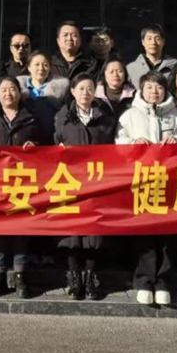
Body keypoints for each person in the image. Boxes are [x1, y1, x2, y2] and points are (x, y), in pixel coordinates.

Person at [116, 71, 177, 306]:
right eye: (149, 87)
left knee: (168, 234)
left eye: (159, 88)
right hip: (142, 181)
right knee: (145, 233)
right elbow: (117, 145)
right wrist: (133, 144)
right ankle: (143, 280)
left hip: (170, 182)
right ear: (141, 90)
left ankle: (163, 281)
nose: (154, 92)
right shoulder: (129, 116)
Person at [0, 76, 42, 299]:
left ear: (19, 93)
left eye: (12, 89)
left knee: (21, 227)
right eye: (4, 90)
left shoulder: (31, 118)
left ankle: (21, 273)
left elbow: (45, 144)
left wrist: (35, 146)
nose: (8, 94)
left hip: (23, 182)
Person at [53, 73, 116, 301]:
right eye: (81, 88)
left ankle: (90, 275)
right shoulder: (62, 116)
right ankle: (74, 275)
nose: (85, 93)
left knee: (93, 230)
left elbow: (113, 148)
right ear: (72, 91)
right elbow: (54, 143)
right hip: (69, 180)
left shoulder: (104, 116)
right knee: (71, 230)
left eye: (90, 89)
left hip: (96, 180)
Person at [16, 51, 68, 145]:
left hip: (51, 140)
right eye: (37, 64)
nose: (41, 68)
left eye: (45, 65)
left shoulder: (61, 90)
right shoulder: (17, 88)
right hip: (24, 141)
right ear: (29, 67)